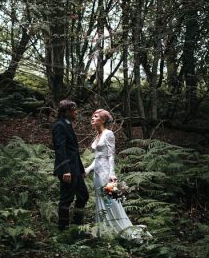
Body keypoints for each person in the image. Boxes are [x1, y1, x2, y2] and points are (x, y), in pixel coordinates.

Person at [84, 109, 151, 241]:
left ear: (103, 120)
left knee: (112, 202)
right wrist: (88, 169)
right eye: (92, 116)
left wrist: (112, 175)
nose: (92, 118)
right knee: (100, 201)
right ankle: (103, 231)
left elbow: (110, 156)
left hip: (106, 174)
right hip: (97, 174)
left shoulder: (108, 134)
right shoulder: (97, 135)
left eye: (95, 116)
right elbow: (97, 158)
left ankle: (121, 230)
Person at [52, 99, 89, 230]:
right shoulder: (59, 126)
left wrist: (81, 169)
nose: (76, 113)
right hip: (67, 170)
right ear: (66, 111)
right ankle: (63, 229)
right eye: (74, 110)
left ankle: (76, 225)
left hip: (75, 169)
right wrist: (66, 170)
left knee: (83, 196)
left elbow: (73, 151)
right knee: (66, 199)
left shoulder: (67, 124)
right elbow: (60, 149)